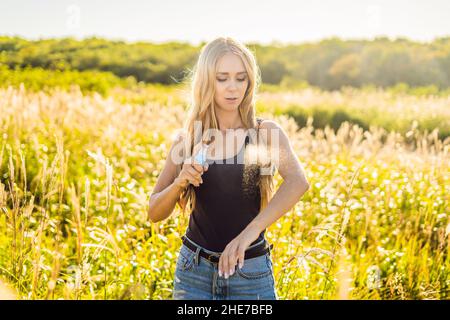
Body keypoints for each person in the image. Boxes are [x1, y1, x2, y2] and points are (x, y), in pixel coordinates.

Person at [147, 36, 310, 300]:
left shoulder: (264, 132)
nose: (233, 88)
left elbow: (298, 182)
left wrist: (249, 233)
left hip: (249, 270)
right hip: (193, 271)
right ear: (206, 80)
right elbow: (154, 212)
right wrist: (180, 182)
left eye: (241, 78)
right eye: (222, 78)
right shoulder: (187, 140)